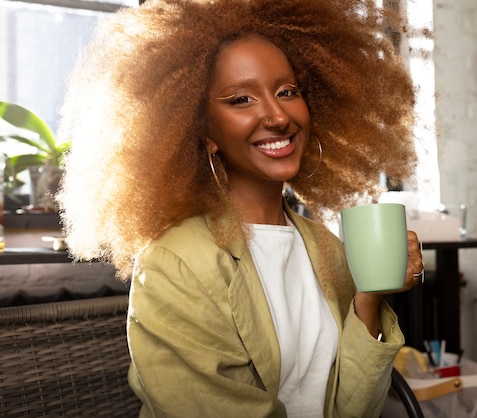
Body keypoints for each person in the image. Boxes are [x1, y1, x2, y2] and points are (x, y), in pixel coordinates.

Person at [57, 0, 425, 416]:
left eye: (288, 92)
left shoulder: (326, 249)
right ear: (203, 132)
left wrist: (369, 296)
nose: (277, 115)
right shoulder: (174, 263)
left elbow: (353, 409)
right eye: (241, 99)